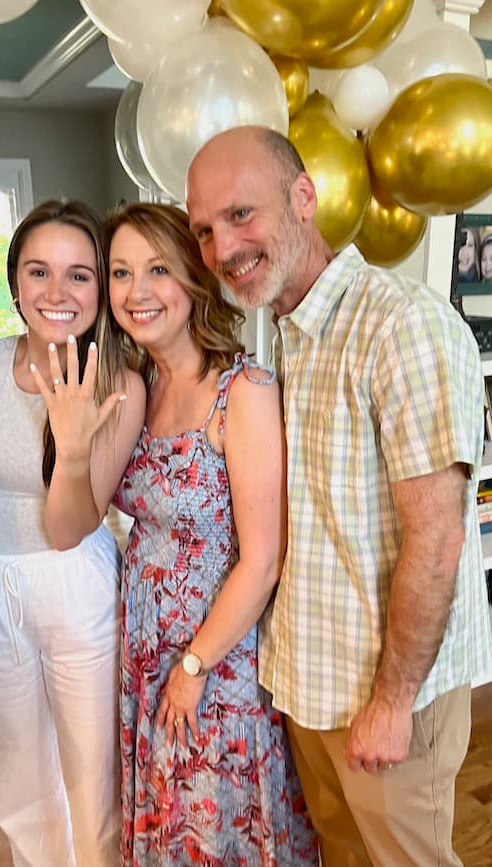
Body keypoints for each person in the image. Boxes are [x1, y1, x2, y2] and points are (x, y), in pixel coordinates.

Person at [186, 125, 492, 867]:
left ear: (302, 199)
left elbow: (439, 537)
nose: (223, 248)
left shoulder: (402, 323)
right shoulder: (281, 334)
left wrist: (391, 703)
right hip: (310, 681)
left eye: (240, 215)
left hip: (389, 696)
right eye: (203, 229)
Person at [37, 201, 317, 865]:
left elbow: (263, 560)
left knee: (221, 819)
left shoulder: (242, 390)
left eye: (157, 269)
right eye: (122, 272)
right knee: (173, 822)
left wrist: (193, 666)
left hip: (217, 659)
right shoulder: (138, 388)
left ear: (193, 278)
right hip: (147, 650)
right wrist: (72, 451)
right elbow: (70, 524)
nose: (137, 291)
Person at [0, 199, 145, 867]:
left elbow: (69, 529)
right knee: (18, 784)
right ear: (13, 283)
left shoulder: (117, 384)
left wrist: (71, 449)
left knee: (92, 782)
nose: (57, 292)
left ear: (100, 289)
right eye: (39, 271)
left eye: (79, 274)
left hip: (76, 587)